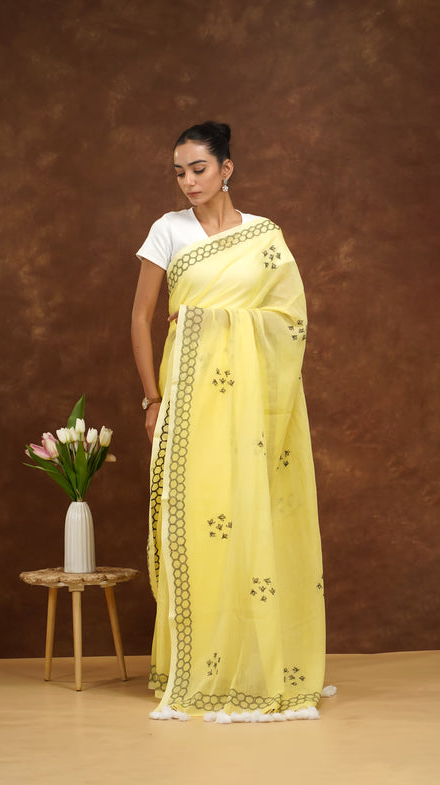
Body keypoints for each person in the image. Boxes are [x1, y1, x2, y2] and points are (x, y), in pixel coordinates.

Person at [131, 121, 330, 723]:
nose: (188, 181)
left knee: (253, 515)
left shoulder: (263, 236)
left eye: (198, 168)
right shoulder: (168, 231)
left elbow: (289, 319)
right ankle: (197, 663)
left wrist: (221, 323)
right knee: (193, 520)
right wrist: (151, 398)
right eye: (179, 171)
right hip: (187, 401)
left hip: (253, 408)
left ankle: (261, 662)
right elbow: (141, 318)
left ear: (226, 168)